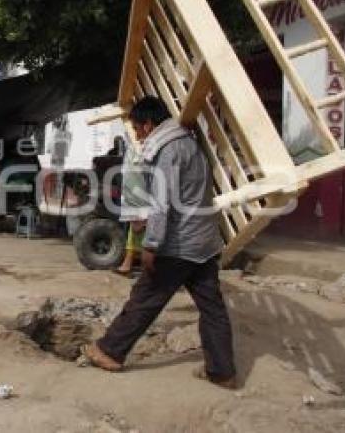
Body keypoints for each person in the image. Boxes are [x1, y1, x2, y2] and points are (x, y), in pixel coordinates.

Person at [84, 97, 236, 389]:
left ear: (149, 124)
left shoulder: (167, 151)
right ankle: (223, 372)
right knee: (213, 310)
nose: (139, 137)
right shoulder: (192, 144)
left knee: (144, 299)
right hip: (205, 242)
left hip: (179, 244)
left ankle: (109, 351)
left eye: (139, 130)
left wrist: (150, 245)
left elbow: (161, 204)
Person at [115, 133, 149, 276]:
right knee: (135, 231)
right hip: (135, 198)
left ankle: (139, 265)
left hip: (144, 198)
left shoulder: (147, 146)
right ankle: (129, 263)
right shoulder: (134, 147)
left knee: (144, 232)